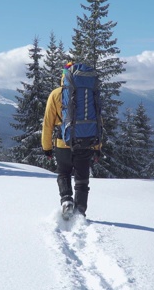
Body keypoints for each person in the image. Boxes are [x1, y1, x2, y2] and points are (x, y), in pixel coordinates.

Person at [41, 63, 100, 217]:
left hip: (63, 143)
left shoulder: (55, 94)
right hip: (85, 141)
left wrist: (46, 147)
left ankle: (66, 199)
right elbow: (99, 120)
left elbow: (48, 123)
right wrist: (97, 147)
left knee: (63, 173)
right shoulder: (91, 93)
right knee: (82, 179)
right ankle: (80, 210)